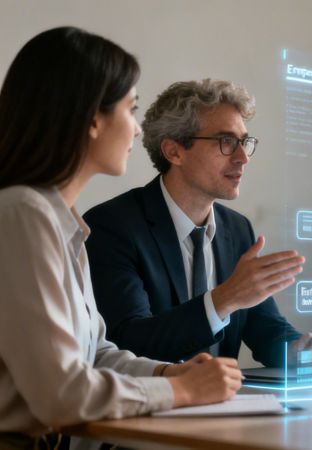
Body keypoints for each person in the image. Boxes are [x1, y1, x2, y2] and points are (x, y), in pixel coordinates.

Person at [0, 27, 242, 446]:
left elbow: (95, 355)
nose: (135, 130)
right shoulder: (23, 214)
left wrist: (169, 373)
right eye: (130, 109)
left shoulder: (59, 222)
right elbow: (62, 393)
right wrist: (183, 391)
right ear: (93, 118)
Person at [84, 79, 312, 372]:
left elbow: (264, 328)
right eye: (226, 142)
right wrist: (224, 299)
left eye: (244, 142)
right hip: (149, 409)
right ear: (174, 151)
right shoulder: (112, 226)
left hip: (222, 407)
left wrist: (300, 351)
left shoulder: (237, 229)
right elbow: (128, 343)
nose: (242, 157)